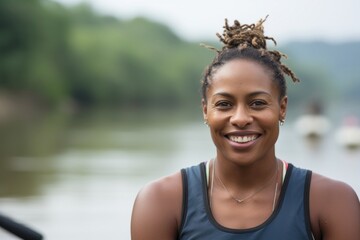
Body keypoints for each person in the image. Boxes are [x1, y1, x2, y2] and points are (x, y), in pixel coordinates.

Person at [131, 16, 360, 240]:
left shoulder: (330, 202)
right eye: (224, 104)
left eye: (257, 103)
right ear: (205, 111)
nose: (240, 118)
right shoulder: (162, 202)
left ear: (282, 108)